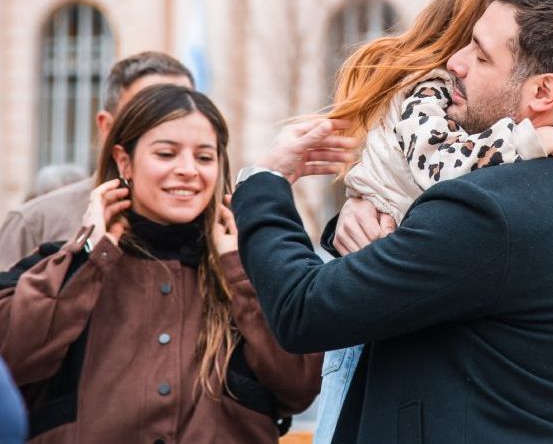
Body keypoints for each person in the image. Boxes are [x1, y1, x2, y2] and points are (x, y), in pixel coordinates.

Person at [233, 0, 553, 443]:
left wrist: (264, 183)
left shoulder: (491, 210)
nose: (455, 63)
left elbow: (303, 308)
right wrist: (360, 220)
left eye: (480, 54)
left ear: (542, 92)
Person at [0, 84, 321, 443]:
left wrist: (238, 270)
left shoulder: (250, 269)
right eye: (166, 154)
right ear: (125, 161)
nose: (187, 170)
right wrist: (89, 253)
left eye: (204, 157)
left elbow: (300, 387)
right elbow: (13, 358)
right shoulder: (61, 264)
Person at [0, 51, 195, 270]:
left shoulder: (221, 232)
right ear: (107, 126)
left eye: (184, 111)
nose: (170, 128)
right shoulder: (36, 223)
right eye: (147, 116)